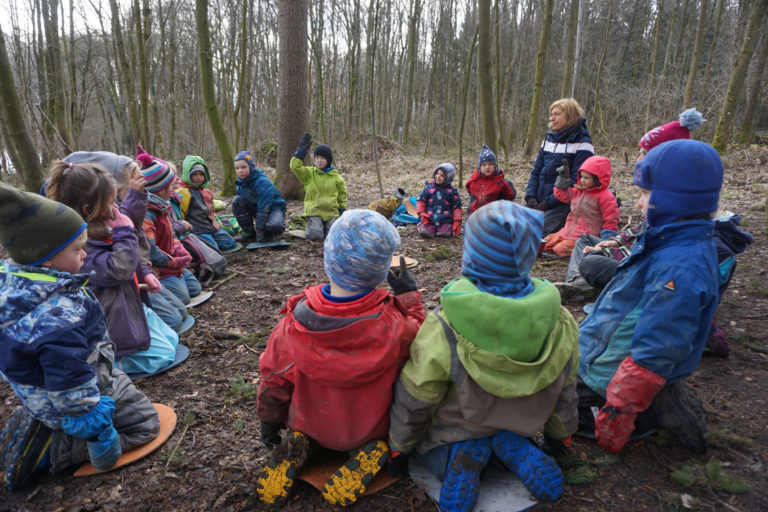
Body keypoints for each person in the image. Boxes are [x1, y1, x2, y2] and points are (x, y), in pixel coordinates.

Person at [388, 201, 579, 512]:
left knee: (431, 450)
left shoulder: (447, 321)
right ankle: (514, 449)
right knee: (513, 439)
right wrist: (562, 435)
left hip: (455, 430)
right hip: (522, 426)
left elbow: (419, 392)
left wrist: (400, 445)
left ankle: (458, 456)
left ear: (472, 255)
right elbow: (566, 384)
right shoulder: (558, 319)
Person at [254, 210, 425, 507]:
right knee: (374, 438)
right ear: (380, 270)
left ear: (329, 260)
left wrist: (269, 422)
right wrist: (408, 294)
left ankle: (301, 443)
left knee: (302, 430)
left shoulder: (292, 326)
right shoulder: (396, 326)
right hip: (368, 427)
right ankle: (371, 450)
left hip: (310, 424)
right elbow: (423, 339)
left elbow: (272, 380)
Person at [0, 183, 160, 491]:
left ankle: (57, 428)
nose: (84, 254)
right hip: (70, 398)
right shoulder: (54, 316)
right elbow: (69, 381)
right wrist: (96, 429)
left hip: (60, 385)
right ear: (45, 258)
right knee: (145, 423)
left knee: (125, 392)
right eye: (77, 249)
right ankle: (56, 450)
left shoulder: (25, 287)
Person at [576, 139, 723, 455]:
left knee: (560, 407)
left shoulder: (681, 266)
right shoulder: (670, 238)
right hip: (606, 348)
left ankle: (645, 412)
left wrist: (620, 409)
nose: (639, 203)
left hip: (608, 373)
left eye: (645, 194)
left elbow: (658, 345)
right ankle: (652, 396)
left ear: (675, 200)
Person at [45, 160, 179, 376]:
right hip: (113, 321)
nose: (116, 208)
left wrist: (144, 272)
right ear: (89, 209)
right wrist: (125, 230)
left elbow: (128, 238)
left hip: (128, 306)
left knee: (172, 338)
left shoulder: (101, 223)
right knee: (163, 355)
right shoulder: (78, 246)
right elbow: (119, 269)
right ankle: (110, 367)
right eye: (111, 202)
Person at [137, 149, 204, 311]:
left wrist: (180, 251)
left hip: (172, 262)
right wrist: (176, 262)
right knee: (184, 297)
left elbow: (171, 236)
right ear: (160, 189)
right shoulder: (147, 214)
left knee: (195, 289)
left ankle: (177, 282)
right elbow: (152, 251)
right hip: (162, 268)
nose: (174, 190)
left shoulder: (163, 206)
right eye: (170, 186)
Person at [525, 98, 594, 236]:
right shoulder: (548, 140)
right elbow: (536, 171)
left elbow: (577, 182)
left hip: (562, 205)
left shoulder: (583, 144)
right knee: (514, 224)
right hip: (539, 201)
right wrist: (530, 196)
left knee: (533, 233)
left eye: (557, 114)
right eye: (551, 115)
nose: (552, 118)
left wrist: (547, 204)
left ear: (569, 116)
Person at [540, 155, 619, 258]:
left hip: (583, 237)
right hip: (566, 231)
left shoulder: (606, 197)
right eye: (581, 176)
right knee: (545, 242)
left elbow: (611, 219)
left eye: (587, 178)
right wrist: (562, 180)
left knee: (560, 249)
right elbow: (562, 196)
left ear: (597, 179)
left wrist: (607, 239)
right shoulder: (578, 191)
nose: (582, 180)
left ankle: (566, 253)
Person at [290, 133, 348, 240]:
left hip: (331, 213)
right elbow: (294, 167)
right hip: (314, 212)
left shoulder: (336, 177)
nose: (319, 160)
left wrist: (342, 210)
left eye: (322, 158)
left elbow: (342, 195)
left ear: (329, 160)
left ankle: (324, 228)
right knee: (316, 236)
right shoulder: (309, 174)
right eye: (317, 157)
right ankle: (306, 226)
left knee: (334, 236)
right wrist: (301, 150)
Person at [177, 155, 239, 252]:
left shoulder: (205, 191)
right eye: (194, 174)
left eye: (201, 174)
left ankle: (209, 240)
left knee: (229, 243)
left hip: (209, 226)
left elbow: (211, 210)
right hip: (196, 229)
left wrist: (215, 223)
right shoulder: (183, 192)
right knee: (213, 249)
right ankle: (196, 244)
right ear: (187, 175)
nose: (198, 177)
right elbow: (180, 215)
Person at [231, 151, 286, 244]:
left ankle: (267, 232)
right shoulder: (240, 185)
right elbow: (243, 207)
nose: (240, 171)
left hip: (273, 209)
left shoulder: (262, 182)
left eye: (243, 167)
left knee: (275, 226)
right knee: (237, 201)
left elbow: (264, 208)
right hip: (257, 209)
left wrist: (259, 229)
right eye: (237, 168)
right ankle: (248, 232)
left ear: (251, 167)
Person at [465, 145, 516, 217]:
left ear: (495, 166)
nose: (487, 167)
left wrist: (503, 184)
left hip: (494, 215)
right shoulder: (474, 180)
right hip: (475, 214)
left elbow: (511, 196)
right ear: (479, 167)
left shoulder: (500, 181)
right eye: (484, 165)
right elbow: (470, 191)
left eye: (490, 164)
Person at [417, 163, 463, 238]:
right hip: (430, 218)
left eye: (442, 176)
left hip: (445, 219)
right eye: (437, 174)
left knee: (445, 233)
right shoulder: (429, 188)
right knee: (426, 232)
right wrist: (422, 213)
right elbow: (421, 201)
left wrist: (457, 221)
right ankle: (421, 226)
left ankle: (445, 229)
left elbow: (457, 207)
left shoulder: (452, 191)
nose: (438, 177)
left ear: (448, 178)